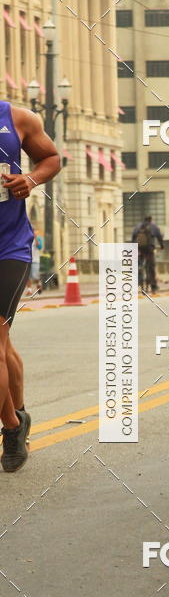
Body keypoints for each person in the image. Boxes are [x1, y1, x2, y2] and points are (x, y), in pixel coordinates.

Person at [0, 100, 61, 471]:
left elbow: (51, 158)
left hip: (9, 245)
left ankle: (10, 429)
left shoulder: (17, 117)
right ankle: (15, 420)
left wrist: (31, 179)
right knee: (2, 344)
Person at [132, 215, 164, 293]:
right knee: (151, 267)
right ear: (151, 220)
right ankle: (153, 286)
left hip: (140, 249)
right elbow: (159, 237)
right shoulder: (154, 226)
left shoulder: (138, 226)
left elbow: (133, 237)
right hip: (149, 249)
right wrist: (162, 245)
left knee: (139, 266)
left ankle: (140, 283)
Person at [26, 228, 43, 296]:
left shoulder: (38, 239)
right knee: (28, 276)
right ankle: (29, 290)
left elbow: (39, 247)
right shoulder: (27, 239)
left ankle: (39, 284)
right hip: (27, 260)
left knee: (35, 276)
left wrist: (35, 237)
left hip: (35, 260)